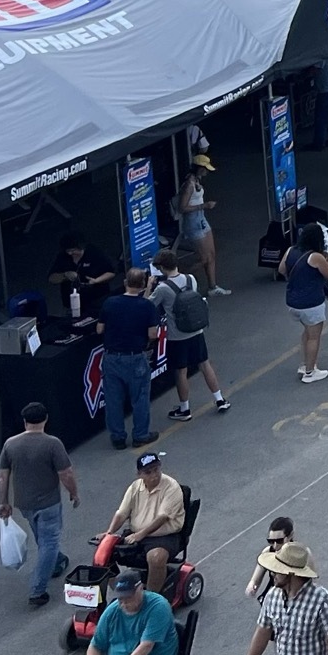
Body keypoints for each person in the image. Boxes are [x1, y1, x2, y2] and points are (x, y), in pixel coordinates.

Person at [0, 401, 79, 609]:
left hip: (25, 504)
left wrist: (3, 502)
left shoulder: (10, 444)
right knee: (49, 541)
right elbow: (66, 473)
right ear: (45, 419)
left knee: (42, 537)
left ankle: (57, 561)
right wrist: (73, 493)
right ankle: (37, 589)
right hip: (49, 503)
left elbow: (2, 477)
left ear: (25, 421)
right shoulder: (52, 444)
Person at [149, 249, 230, 420]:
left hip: (177, 337)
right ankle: (219, 399)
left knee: (181, 372)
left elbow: (147, 306)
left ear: (162, 268)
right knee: (205, 364)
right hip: (196, 330)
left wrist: (149, 286)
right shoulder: (190, 279)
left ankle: (184, 409)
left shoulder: (163, 289)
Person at [84, 571, 186, 655]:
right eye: (121, 598)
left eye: (128, 597)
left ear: (140, 589)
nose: (124, 603)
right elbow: (96, 646)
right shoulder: (111, 612)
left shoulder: (158, 606)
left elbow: (146, 646)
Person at [105, 451, 188, 594]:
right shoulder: (135, 487)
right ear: (140, 474)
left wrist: (141, 535)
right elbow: (122, 513)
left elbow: (162, 517)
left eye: (156, 470)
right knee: (105, 553)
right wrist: (109, 533)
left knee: (156, 558)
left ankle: (151, 598)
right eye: (148, 472)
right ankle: (123, 593)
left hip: (164, 536)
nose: (154, 475)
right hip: (136, 534)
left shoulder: (172, 487)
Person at [98, 270, 161, 450]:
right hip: (135, 357)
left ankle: (117, 437)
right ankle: (140, 435)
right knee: (140, 397)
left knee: (113, 399)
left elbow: (99, 329)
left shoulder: (110, 303)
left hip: (111, 357)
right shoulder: (146, 306)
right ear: (142, 285)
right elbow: (152, 333)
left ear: (125, 282)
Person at [283, 224, 328, 384]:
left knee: (306, 332)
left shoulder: (290, 251)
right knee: (314, 336)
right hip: (311, 303)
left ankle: (304, 364)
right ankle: (310, 372)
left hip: (292, 302)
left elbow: (281, 269)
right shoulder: (316, 257)